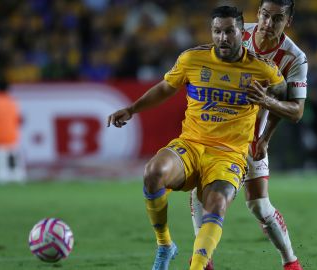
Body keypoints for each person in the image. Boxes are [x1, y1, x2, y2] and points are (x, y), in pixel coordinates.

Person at [107, 6, 286, 270]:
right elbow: (166, 87)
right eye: (217, 31)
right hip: (190, 145)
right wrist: (132, 109)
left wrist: (265, 133)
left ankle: (197, 266)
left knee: (218, 202)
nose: (223, 38)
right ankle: (165, 245)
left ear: (241, 33)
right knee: (153, 172)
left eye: (229, 32)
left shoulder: (263, 70)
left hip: (228, 154)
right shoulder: (192, 59)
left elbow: (281, 96)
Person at [190, 1, 307, 270]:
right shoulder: (236, 32)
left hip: (251, 138)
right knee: (201, 192)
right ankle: (203, 260)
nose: (268, 23)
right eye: (265, 15)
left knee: (259, 206)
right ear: (258, 14)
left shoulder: (294, 58)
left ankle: (290, 262)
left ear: (288, 21)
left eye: (277, 18)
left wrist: (265, 134)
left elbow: (295, 109)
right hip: (216, 132)